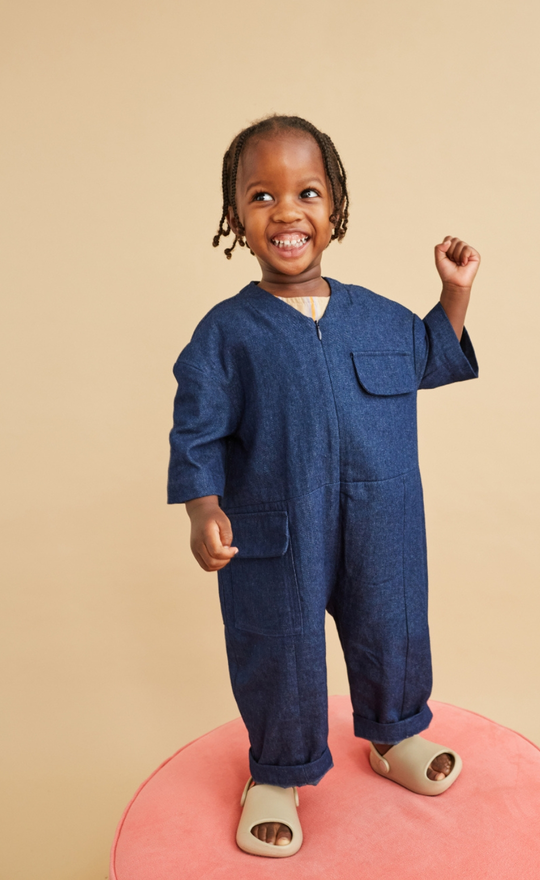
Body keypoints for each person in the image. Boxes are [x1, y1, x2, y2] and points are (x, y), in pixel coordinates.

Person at [167, 114, 480, 858]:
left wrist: (455, 292)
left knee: (393, 624)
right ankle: (276, 774)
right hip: (276, 531)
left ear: (334, 209)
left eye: (307, 191)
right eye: (261, 195)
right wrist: (202, 507)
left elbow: (434, 355)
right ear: (235, 217)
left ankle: (396, 732)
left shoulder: (377, 315)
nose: (286, 211)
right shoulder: (226, 333)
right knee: (278, 644)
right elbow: (197, 430)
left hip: (385, 520)